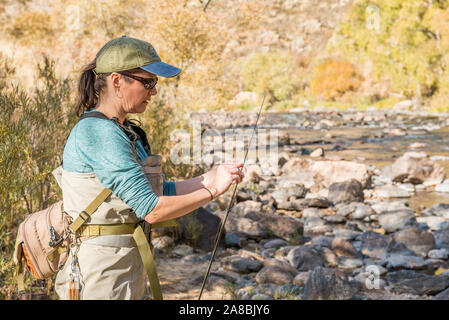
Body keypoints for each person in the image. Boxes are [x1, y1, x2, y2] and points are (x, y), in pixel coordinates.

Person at [54, 35, 245, 300]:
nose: (154, 91)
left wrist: (208, 176)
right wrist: (213, 190)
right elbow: (152, 211)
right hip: (102, 275)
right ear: (117, 81)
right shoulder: (99, 133)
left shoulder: (125, 131)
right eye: (148, 82)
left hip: (126, 265)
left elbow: (159, 191)